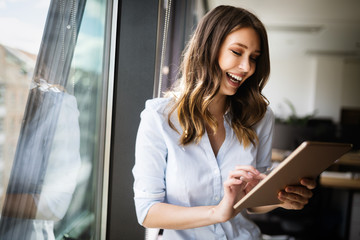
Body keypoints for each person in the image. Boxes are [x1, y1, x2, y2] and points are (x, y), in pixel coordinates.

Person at [133, 5, 316, 240]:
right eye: (237, 52)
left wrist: (281, 200)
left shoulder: (259, 117)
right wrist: (216, 213)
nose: (247, 67)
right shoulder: (159, 118)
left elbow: (252, 202)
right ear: (209, 48)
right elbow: (147, 211)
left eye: (254, 58)